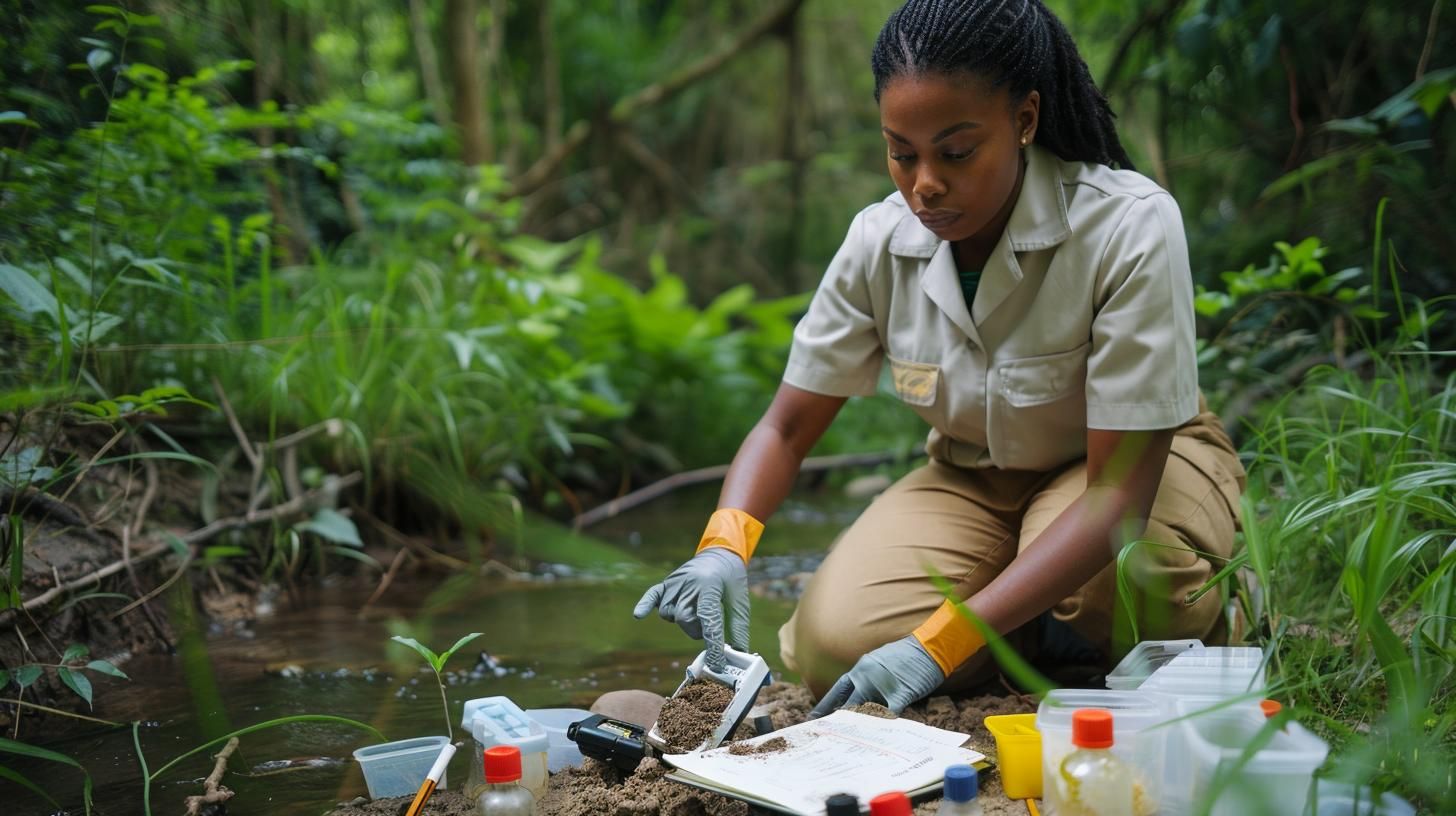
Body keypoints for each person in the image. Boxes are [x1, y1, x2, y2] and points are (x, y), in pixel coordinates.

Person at [632, 0, 1245, 716]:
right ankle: (1039, 631)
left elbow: (1114, 498)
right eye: (901, 152)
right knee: (835, 645)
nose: (923, 183)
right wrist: (723, 545)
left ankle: (1199, 604)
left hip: (1126, 472)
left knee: (1124, 582)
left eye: (955, 153)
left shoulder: (1128, 226)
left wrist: (941, 641)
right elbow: (787, 427)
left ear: (1024, 119)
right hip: (975, 478)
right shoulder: (878, 242)